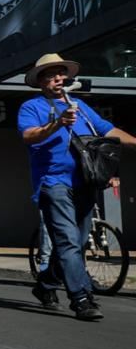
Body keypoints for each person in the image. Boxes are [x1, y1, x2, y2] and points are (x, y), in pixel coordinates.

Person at [19, 53, 136, 320]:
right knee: (68, 242)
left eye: (62, 73)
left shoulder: (80, 106)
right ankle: (81, 298)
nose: (59, 78)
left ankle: (46, 285)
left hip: (84, 182)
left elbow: (108, 130)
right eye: (51, 74)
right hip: (53, 184)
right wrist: (57, 123)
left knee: (77, 244)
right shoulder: (32, 107)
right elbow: (28, 135)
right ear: (40, 81)